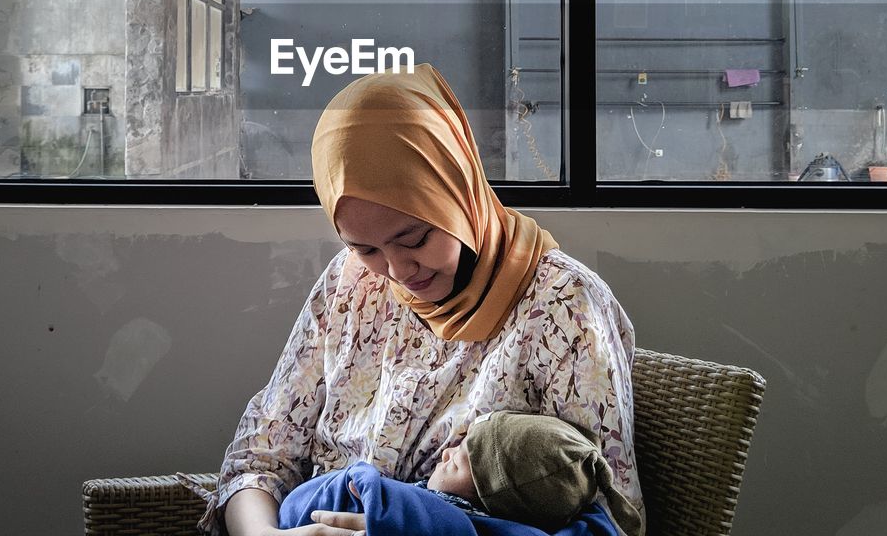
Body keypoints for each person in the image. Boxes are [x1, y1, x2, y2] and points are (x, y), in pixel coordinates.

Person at [212, 64, 643, 536]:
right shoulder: (347, 284)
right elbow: (259, 459)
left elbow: (611, 520)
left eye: (414, 238)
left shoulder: (564, 305)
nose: (397, 271)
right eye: (365, 247)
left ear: (457, 193)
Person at [276, 411, 645, 536]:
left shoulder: (448, 515)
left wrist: (371, 492)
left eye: (459, 461)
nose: (446, 452)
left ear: (490, 498)